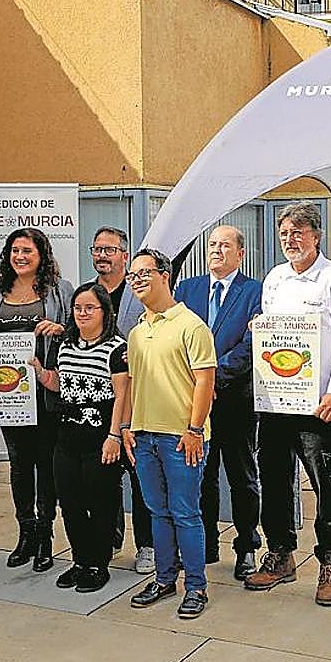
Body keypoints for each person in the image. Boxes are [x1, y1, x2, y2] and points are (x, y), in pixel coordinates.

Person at [244, 202, 331, 607]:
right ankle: (280, 554)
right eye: (284, 233)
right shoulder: (274, 279)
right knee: (275, 482)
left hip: (317, 408)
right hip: (276, 403)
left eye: (298, 232)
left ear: (316, 236)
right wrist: (259, 330)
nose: (290, 240)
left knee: (327, 485)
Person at [121, 248, 217, 619]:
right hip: (144, 438)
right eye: (132, 276)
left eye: (144, 272)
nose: (137, 280)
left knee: (185, 513)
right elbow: (130, 385)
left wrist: (194, 429)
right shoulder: (136, 331)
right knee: (157, 512)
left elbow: (205, 381)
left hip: (181, 439)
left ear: (165, 275)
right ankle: (164, 579)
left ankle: (196, 586)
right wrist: (127, 427)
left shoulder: (191, 326)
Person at [0, 227, 73, 573]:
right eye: (15, 250)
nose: (20, 256)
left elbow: (78, 329)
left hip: (45, 391)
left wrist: (61, 330)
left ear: (41, 256)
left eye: (27, 251)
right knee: (19, 465)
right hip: (7, 394)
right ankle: (26, 533)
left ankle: (46, 536)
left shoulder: (60, 290)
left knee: (45, 466)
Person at [174, 225, 263, 581]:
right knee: (202, 475)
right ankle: (206, 543)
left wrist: (211, 376)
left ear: (240, 253)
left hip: (234, 399)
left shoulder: (254, 292)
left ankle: (246, 548)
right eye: (212, 245)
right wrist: (197, 382)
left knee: (242, 477)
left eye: (225, 246)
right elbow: (175, 336)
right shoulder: (188, 289)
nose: (217, 251)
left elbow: (251, 343)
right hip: (194, 402)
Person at [32, 282, 129, 593]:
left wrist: (114, 436)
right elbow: (60, 383)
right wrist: (38, 372)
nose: (83, 313)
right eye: (78, 308)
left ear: (104, 312)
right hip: (67, 436)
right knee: (70, 503)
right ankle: (80, 560)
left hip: (101, 436)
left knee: (100, 502)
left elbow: (122, 396)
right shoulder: (66, 345)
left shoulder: (116, 348)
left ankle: (98, 563)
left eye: (90, 308)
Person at [91, 225, 154, 575]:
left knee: (139, 475)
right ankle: (111, 536)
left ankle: (146, 545)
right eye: (97, 249)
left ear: (124, 256)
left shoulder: (139, 293)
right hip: (99, 400)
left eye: (110, 250)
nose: (102, 255)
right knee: (105, 477)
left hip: (136, 399)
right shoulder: (87, 293)